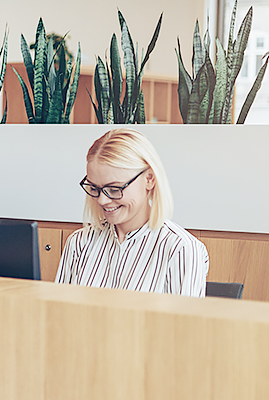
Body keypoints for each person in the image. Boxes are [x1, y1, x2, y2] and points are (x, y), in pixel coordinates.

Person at [56, 127, 208, 296]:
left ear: (149, 179)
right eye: (94, 188)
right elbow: (57, 314)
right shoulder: (79, 243)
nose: (102, 200)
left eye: (114, 189)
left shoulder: (181, 249)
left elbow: (182, 322)